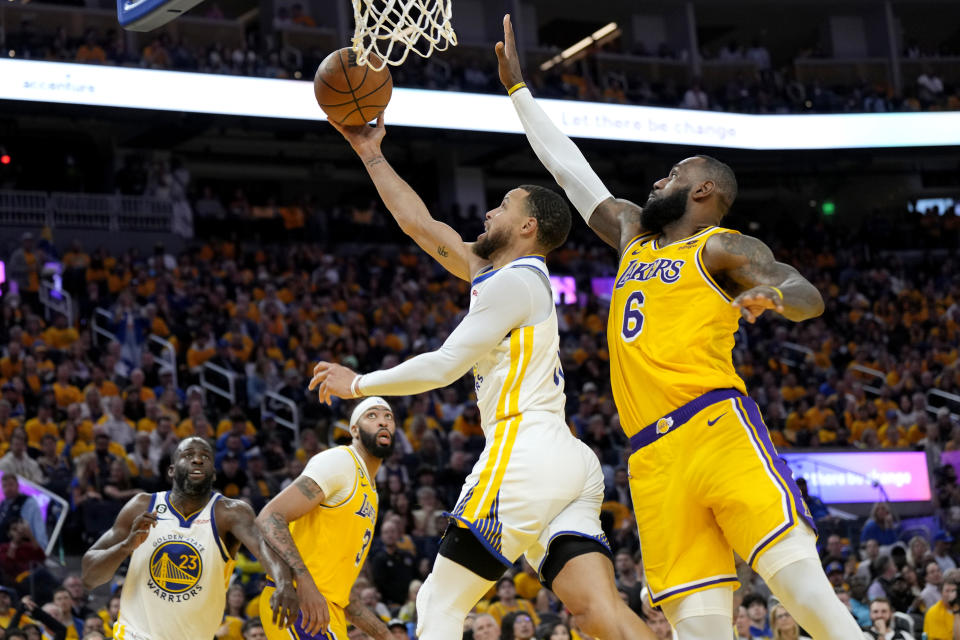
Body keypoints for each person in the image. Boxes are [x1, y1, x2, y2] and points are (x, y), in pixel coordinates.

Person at [495, 13, 863, 640]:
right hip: (651, 458)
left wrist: (771, 294)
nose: (661, 178)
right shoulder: (633, 234)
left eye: (676, 172)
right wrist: (520, 94)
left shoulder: (721, 247)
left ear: (707, 190)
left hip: (716, 428)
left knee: (803, 593)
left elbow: (808, 294)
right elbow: (570, 171)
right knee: (698, 631)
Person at [323, 109, 658, 640]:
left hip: (523, 450)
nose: (487, 213)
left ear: (527, 226)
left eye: (503, 207)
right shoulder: (502, 275)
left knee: (437, 600)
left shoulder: (513, 285)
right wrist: (371, 153)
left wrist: (358, 384)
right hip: (567, 460)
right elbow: (421, 225)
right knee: (600, 614)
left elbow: (444, 365)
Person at [80, 437, 286, 640]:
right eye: (188, 455)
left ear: (213, 474)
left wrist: (284, 583)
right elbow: (89, 577)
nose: (197, 460)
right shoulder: (142, 506)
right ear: (171, 470)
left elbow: (265, 549)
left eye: (205, 456)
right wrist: (125, 547)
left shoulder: (231, 513)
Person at [255, 398, 395, 640]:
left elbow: (341, 593)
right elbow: (270, 516)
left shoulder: (371, 494)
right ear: (354, 430)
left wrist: (385, 634)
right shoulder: (340, 462)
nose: (382, 421)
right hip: (299, 604)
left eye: (388, 417)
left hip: (329, 614)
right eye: (372, 415)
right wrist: (305, 583)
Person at [0, 473, 48, 548]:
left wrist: (42, 548)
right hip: (4, 550)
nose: (8, 488)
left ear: (18, 486)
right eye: (5, 486)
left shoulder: (28, 502)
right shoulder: (3, 504)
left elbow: (37, 528)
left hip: (21, 549)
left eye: (11, 485)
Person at [923, 568, 960, 640]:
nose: (951, 595)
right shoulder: (933, 612)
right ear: (941, 592)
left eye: (954, 591)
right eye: (947, 591)